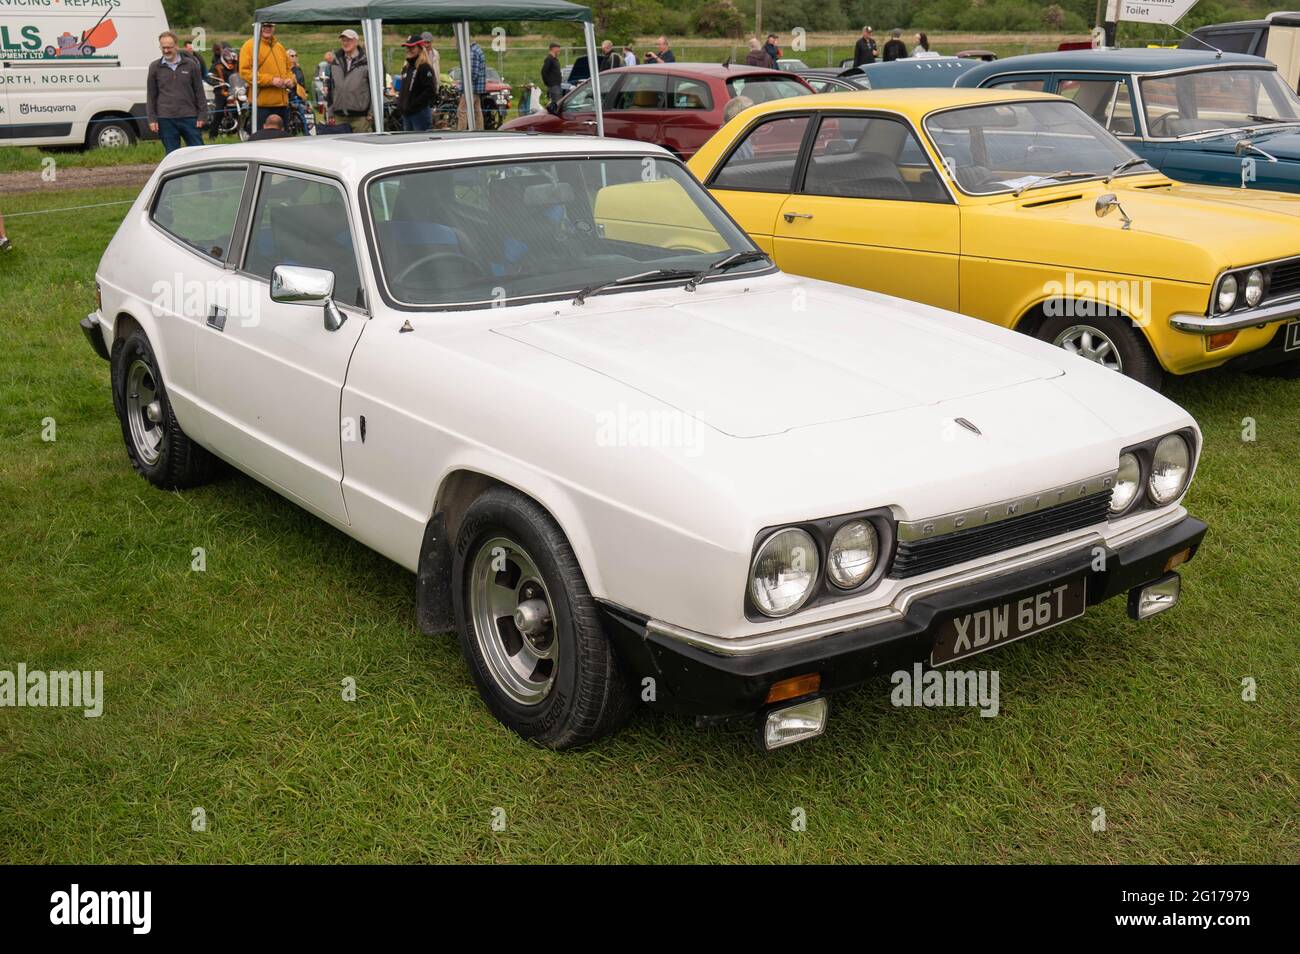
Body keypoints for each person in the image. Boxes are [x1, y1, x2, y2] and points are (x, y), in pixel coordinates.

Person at [148, 31, 208, 153]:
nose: (166, 51)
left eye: (169, 47)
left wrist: (202, 115)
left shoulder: (191, 65)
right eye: (163, 47)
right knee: (172, 155)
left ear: (176, 46)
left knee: (199, 152)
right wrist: (152, 119)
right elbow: (151, 95)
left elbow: (199, 92)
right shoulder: (154, 67)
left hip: (189, 117)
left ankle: (203, 173)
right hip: (166, 119)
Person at [240, 21, 294, 132]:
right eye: (264, 26)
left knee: (284, 142)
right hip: (262, 106)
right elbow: (245, 72)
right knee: (262, 143)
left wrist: (290, 80)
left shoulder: (279, 47)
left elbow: (288, 69)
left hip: (282, 104)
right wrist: (271, 80)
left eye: (270, 26)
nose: (267, 28)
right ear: (257, 27)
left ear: (274, 27)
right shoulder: (249, 46)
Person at [328, 28, 372, 132]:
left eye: (349, 40)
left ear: (356, 42)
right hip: (339, 116)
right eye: (343, 40)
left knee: (362, 146)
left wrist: (372, 112)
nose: (346, 43)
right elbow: (331, 88)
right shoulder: (335, 62)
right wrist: (330, 111)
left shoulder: (366, 62)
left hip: (361, 117)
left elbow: (374, 88)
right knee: (340, 147)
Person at [398, 35, 436, 131]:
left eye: (412, 47)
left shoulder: (424, 67)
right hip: (407, 114)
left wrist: (414, 105)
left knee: (421, 143)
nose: (409, 50)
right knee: (407, 143)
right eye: (408, 47)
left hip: (419, 114)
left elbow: (430, 90)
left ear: (420, 49)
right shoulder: (407, 68)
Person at [207, 45, 238, 141]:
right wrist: (217, 82)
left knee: (243, 107)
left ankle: (241, 130)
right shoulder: (217, 65)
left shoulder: (236, 64)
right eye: (228, 60)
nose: (230, 62)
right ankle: (213, 134)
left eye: (232, 60)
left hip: (235, 91)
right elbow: (209, 77)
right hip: (221, 91)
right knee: (219, 111)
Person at [456, 40, 486, 130]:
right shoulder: (477, 49)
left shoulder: (472, 52)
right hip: (476, 88)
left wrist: (464, 86)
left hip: (471, 88)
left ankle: (461, 133)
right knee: (477, 111)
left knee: (462, 112)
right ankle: (479, 131)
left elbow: (472, 73)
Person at [541, 42, 563, 113]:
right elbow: (544, 71)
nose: (559, 50)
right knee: (555, 103)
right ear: (553, 49)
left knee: (558, 102)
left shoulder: (555, 59)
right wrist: (548, 83)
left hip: (557, 84)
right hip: (553, 85)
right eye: (558, 49)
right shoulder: (549, 59)